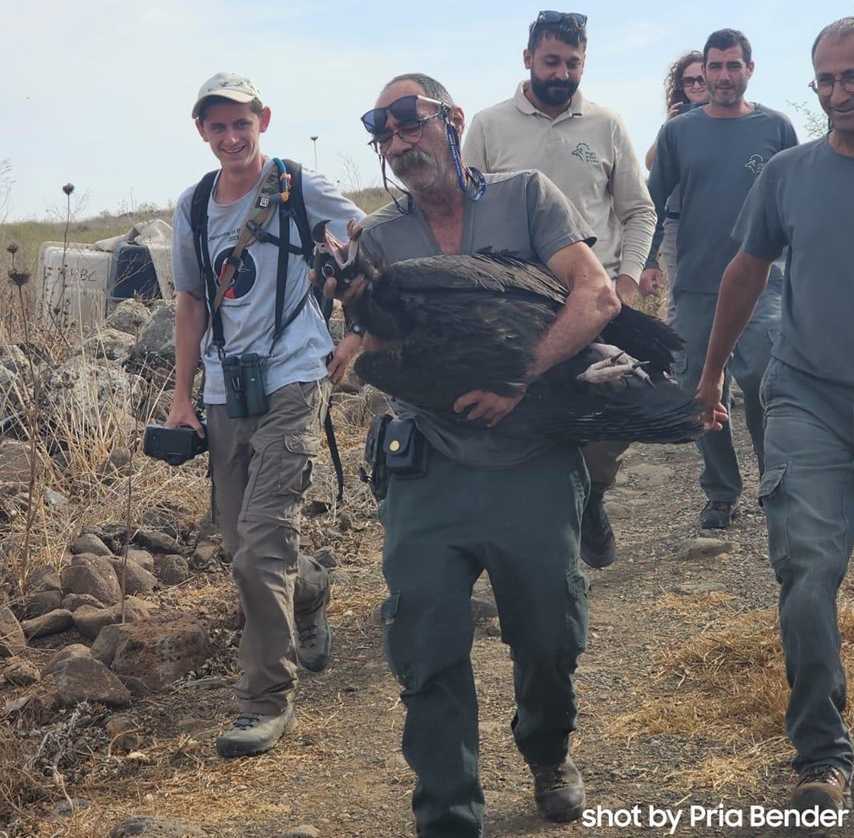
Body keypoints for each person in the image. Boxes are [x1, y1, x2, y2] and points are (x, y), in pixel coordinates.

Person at [328, 72, 619, 836]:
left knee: (550, 635)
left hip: (532, 455)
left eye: (409, 124)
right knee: (424, 639)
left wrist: (521, 377)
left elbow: (597, 297)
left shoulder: (526, 198)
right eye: (383, 135)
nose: (398, 143)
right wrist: (357, 308)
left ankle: (547, 750)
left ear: (451, 121)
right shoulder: (380, 237)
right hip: (429, 461)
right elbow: (381, 347)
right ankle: (448, 812)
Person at [697, 16, 854, 813]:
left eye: (851, 78)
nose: (835, 94)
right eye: (824, 80)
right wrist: (714, 372)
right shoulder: (788, 173)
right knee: (806, 571)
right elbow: (743, 275)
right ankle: (819, 753)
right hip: (807, 396)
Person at [167, 71, 364, 759]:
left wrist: (360, 331)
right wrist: (182, 396)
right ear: (202, 131)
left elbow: (370, 243)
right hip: (225, 390)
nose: (230, 137)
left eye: (240, 123)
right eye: (216, 126)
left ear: (263, 119)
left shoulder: (296, 186)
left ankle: (265, 699)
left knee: (259, 545)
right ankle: (308, 591)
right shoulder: (193, 206)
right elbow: (191, 303)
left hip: (295, 377)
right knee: (241, 547)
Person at [464, 11, 656, 568]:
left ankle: (592, 494)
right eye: (551, 61)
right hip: (514, 308)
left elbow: (637, 210)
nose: (562, 73)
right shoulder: (487, 126)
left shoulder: (607, 125)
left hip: (597, 304)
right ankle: (529, 552)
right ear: (527, 59)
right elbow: (464, 213)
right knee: (520, 417)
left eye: (573, 63)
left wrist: (623, 280)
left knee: (617, 408)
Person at [639, 28, 798, 530]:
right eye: (715, 67)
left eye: (734, 66)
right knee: (698, 389)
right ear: (703, 73)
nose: (724, 76)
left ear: (749, 70)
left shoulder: (776, 127)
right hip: (696, 280)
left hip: (764, 281)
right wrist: (646, 261)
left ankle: (777, 483)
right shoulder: (679, 132)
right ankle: (721, 492)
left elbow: (798, 203)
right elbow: (654, 200)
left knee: (760, 378)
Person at [643, 50, 708, 323]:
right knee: (680, 298)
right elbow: (651, 164)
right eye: (688, 81)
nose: (695, 86)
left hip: (721, 222)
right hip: (677, 222)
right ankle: (678, 361)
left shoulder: (730, 120)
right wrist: (668, 127)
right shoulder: (675, 124)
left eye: (701, 80)